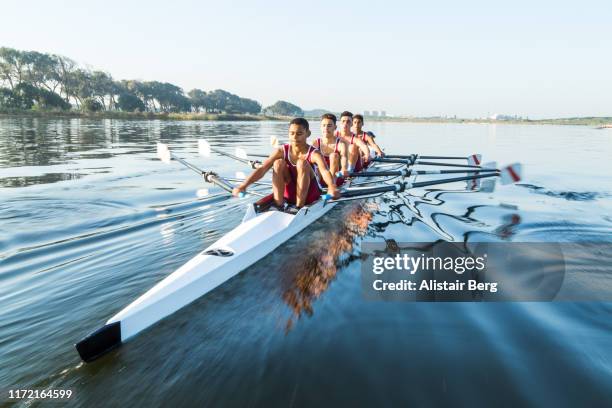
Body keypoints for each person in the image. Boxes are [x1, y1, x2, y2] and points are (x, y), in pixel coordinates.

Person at [233, 118, 339, 208]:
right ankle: (279, 205)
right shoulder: (281, 151)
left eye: (299, 133)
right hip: (290, 192)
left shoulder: (314, 153)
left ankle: (299, 208)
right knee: (278, 163)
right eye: (292, 133)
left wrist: (331, 186)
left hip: (310, 194)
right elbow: (262, 169)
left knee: (302, 163)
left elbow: (325, 171)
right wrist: (244, 185)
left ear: (308, 134)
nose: (295, 137)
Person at [313, 113, 349, 185]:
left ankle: (332, 185)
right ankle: (317, 185)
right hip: (320, 177)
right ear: (321, 127)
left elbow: (344, 157)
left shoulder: (341, 144)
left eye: (329, 126)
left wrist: (344, 168)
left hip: (336, 178)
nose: (326, 128)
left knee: (333, 155)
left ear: (335, 127)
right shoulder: (316, 143)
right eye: (324, 125)